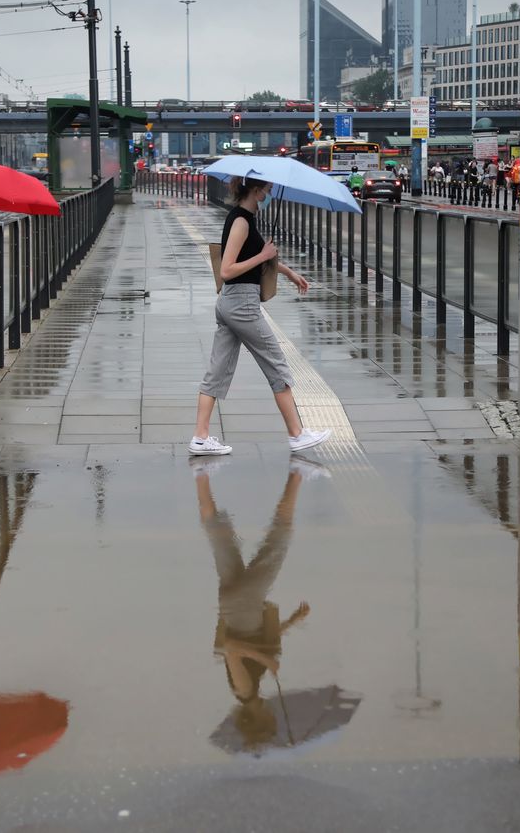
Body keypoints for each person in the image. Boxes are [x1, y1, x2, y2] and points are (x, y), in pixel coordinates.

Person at [190, 177, 331, 456]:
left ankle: (200, 437)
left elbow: (257, 258)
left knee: (217, 372)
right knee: (277, 365)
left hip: (232, 303)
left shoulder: (245, 219)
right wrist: (263, 254)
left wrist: (290, 273)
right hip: (241, 304)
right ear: (254, 190)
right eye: (266, 189)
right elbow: (227, 270)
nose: (268, 193)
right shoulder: (241, 222)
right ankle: (297, 434)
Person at [195, 454, 322, 748]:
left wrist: (267, 660)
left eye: (270, 721)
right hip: (232, 603)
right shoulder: (250, 691)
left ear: (260, 719)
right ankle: (200, 478)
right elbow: (256, 645)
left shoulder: (244, 691)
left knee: (278, 540)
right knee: (219, 537)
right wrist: (290, 622)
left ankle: (297, 477)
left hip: (244, 604)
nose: (273, 716)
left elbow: (232, 648)